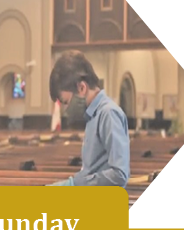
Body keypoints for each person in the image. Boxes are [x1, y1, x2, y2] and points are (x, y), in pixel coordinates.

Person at [46, 50, 130, 187]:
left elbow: (119, 174)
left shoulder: (108, 113)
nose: (66, 109)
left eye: (66, 102)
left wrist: (75, 184)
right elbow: (93, 169)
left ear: (82, 88)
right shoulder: (92, 116)